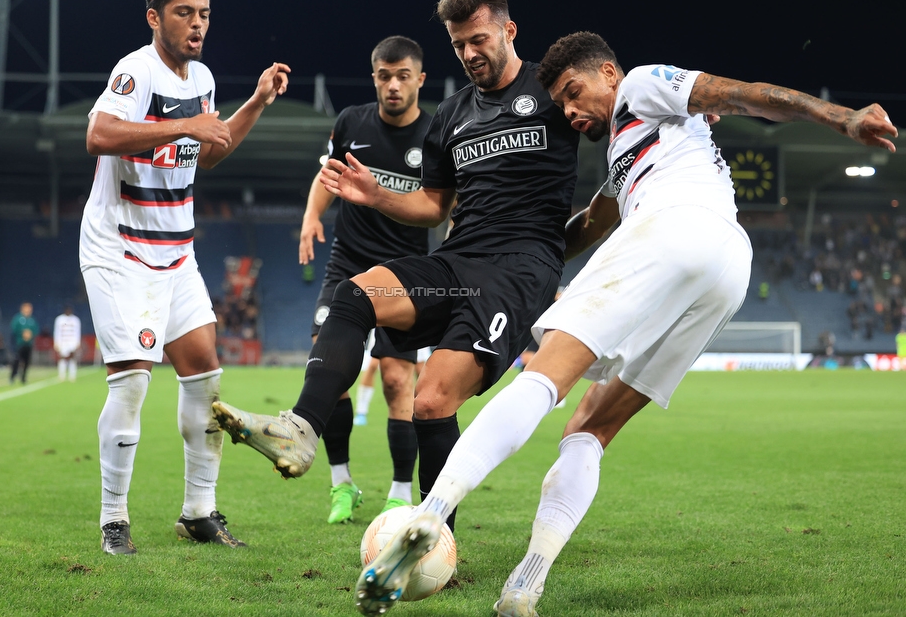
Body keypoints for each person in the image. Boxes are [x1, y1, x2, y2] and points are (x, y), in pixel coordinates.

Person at [359, 30, 898, 617]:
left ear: (609, 74)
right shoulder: (628, 152)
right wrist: (521, 253)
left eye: (573, 93)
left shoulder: (641, 84)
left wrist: (840, 118)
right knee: (589, 429)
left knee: (543, 378)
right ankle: (525, 585)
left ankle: (429, 518)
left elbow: (744, 95)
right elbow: (594, 221)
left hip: (675, 226)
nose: (569, 112)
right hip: (727, 269)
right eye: (561, 104)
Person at [211, 0, 579, 549]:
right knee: (354, 294)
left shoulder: (552, 90)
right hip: (457, 261)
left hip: (517, 272)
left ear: (509, 31)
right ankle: (301, 429)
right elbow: (434, 205)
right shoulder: (452, 113)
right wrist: (374, 194)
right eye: (459, 45)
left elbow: (613, 110)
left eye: (479, 39)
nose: (470, 53)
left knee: (429, 400)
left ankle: (439, 544)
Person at [81, 0, 289, 555]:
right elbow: (98, 135)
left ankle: (199, 511)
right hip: (121, 249)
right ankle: (113, 519)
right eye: (183, 13)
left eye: (203, 14)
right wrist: (186, 124)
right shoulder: (136, 70)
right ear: (155, 17)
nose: (196, 23)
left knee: (205, 377)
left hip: (177, 250)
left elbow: (207, 153)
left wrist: (254, 102)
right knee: (131, 386)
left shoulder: (202, 77)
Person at [289, 35, 432, 525]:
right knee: (331, 372)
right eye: (383, 75)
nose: (393, 85)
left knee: (396, 380)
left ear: (419, 79)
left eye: (402, 76)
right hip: (347, 264)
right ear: (374, 77)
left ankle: (398, 492)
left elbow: (448, 203)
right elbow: (326, 174)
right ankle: (341, 484)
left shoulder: (436, 135)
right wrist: (312, 217)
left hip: (405, 272)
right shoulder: (351, 121)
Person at [9, 302, 38, 384]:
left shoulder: (32, 320)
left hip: (28, 344)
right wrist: (22, 333)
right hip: (19, 343)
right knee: (16, 360)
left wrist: (30, 334)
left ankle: (23, 377)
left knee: (27, 361)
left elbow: (36, 330)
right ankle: (12, 376)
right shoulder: (18, 318)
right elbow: (14, 328)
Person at [53, 305, 82, 382]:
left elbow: (77, 332)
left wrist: (77, 342)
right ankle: (61, 376)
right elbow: (57, 332)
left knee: (72, 358)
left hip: (72, 342)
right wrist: (56, 342)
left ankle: (72, 376)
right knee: (62, 358)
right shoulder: (59, 319)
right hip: (63, 342)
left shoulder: (76, 320)